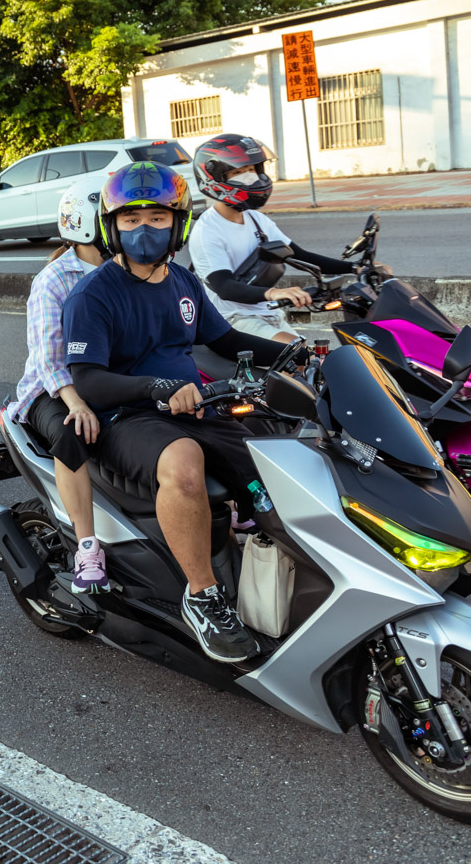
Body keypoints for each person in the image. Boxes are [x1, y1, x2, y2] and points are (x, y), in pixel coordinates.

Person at [62, 161, 287, 664]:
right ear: (111, 226)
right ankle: (202, 596)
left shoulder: (182, 281)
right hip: (126, 417)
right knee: (183, 462)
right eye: (131, 220)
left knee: (272, 456)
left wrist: (296, 356)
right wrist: (156, 386)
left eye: (158, 219)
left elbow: (223, 338)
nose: (144, 230)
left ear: (178, 225)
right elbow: (88, 379)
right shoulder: (93, 295)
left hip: (194, 405)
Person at [10, 180, 110, 592]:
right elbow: (48, 358)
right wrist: (75, 401)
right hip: (51, 390)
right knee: (73, 432)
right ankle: (87, 547)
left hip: (104, 380)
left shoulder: (127, 269)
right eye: (116, 219)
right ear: (87, 226)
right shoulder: (53, 280)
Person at [188, 133, 364, 343]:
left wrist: (355, 268)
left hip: (269, 314)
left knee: (318, 365)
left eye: (252, 169)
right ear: (215, 179)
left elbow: (300, 255)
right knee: (299, 357)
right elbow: (223, 287)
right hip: (232, 320)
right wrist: (274, 293)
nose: (250, 177)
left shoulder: (256, 219)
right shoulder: (207, 231)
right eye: (238, 172)